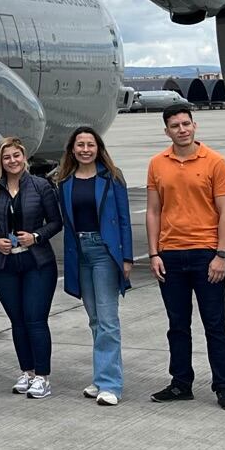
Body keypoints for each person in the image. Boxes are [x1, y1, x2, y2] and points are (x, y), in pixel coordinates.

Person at [145, 105, 225, 408]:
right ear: (166, 131)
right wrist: (154, 252)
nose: (182, 130)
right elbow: (153, 210)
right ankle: (180, 382)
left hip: (205, 254)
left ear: (195, 126)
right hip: (170, 255)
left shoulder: (215, 162)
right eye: (175, 126)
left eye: (186, 124)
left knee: (215, 324)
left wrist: (221, 254)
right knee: (177, 324)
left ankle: (223, 385)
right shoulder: (157, 164)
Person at [55, 125, 134, 406]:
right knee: (95, 319)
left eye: (90, 144)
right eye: (80, 145)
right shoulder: (64, 182)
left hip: (104, 252)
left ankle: (111, 384)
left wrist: (126, 258)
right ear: (72, 149)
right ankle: (101, 378)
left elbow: (124, 219)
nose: (85, 150)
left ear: (98, 148)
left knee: (109, 320)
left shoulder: (112, 178)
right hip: (80, 253)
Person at [0, 136, 61, 396]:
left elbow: (55, 222)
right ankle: (27, 372)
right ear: (1, 161)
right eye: (7, 157)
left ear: (24, 157)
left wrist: (36, 236)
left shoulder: (40, 186)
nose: (12, 161)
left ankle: (42, 376)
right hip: (4, 264)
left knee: (35, 319)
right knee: (17, 320)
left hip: (37, 262)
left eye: (16, 155)